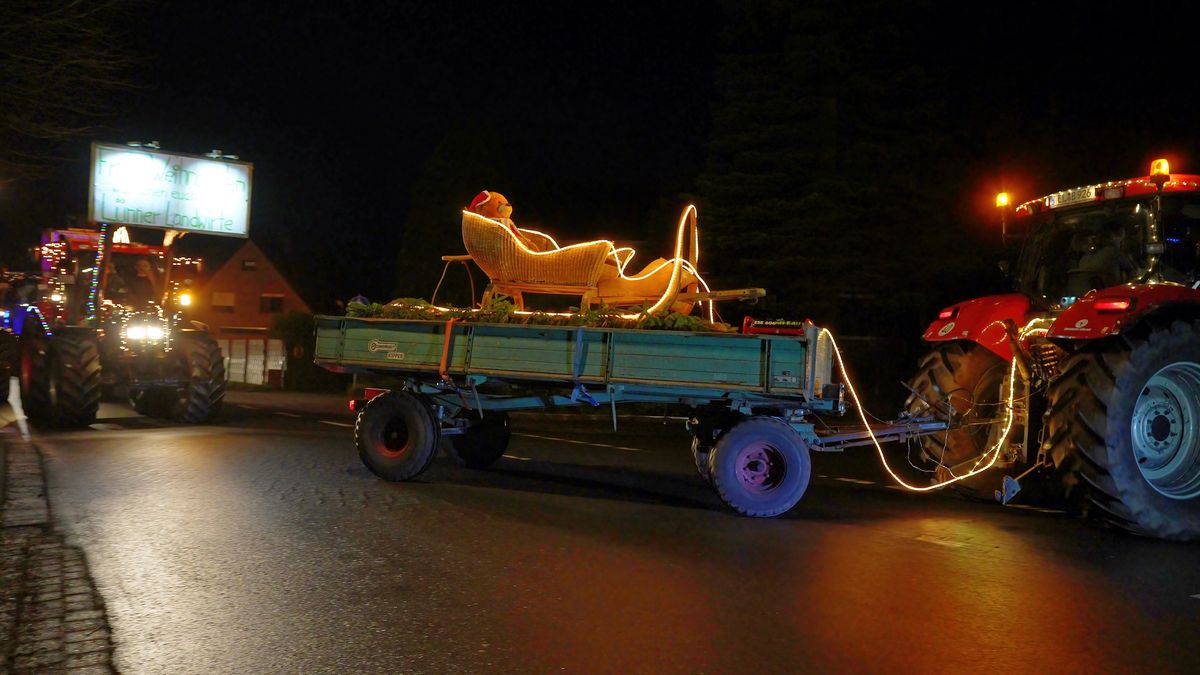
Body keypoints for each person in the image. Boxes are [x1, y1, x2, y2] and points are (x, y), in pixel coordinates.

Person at [1076, 221, 1138, 289]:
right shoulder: (1112, 251)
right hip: (1111, 293)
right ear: (1112, 236)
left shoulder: (1084, 258)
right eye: (1120, 237)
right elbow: (1133, 272)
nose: (1121, 241)